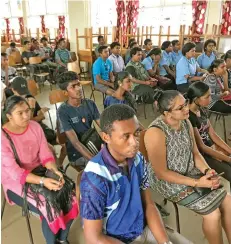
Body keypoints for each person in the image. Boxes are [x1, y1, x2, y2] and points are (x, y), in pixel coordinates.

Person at [80, 104, 193, 244]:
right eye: (126, 136)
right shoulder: (95, 178)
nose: (135, 142)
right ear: (106, 137)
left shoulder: (138, 159)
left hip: (143, 228)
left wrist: (165, 242)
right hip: (116, 240)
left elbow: (149, 205)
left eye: (136, 133)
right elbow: (94, 238)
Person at [144, 89, 231, 244]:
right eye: (180, 108)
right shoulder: (155, 132)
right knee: (213, 214)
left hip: (190, 171)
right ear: (167, 113)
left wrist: (207, 170)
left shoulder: (186, 122)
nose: (186, 109)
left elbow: (196, 154)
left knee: (229, 202)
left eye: (185, 104)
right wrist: (198, 182)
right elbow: (161, 173)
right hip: (168, 181)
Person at [1, 95, 78, 244]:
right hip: (16, 182)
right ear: (9, 116)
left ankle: (62, 239)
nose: (26, 116)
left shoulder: (35, 127)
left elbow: (45, 154)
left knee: (71, 193)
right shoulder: (3, 138)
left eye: (27, 111)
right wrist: (43, 181)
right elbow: (15, 172)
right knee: (49, 206)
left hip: (40, 171)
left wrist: (54, 171)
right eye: (20, 113)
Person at [187, 81, 231, 184]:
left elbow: (213, 135)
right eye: (206, 97)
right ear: (196, 99)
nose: (210, 99)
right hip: (202, 155)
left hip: (211, 148)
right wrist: (228, 159)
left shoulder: (202, 109)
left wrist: (229, 150)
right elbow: (202, 147)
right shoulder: (189, 117)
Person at [57, 71, 101, 172]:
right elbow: (75, 143)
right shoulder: (63, 111)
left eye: (79, 84)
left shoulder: (90, 103)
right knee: (100, 172)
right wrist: (96, 161)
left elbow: (103, 126)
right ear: (65, 92)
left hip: (92, 142)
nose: (79, 88)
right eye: (73, 87)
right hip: (77, 153)